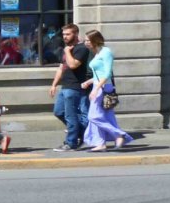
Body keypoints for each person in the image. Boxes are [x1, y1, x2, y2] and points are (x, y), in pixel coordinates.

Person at [80, 30, 132, 152]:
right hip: (98, 86)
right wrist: (89, 82)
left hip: (103, 88)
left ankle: (118, 135)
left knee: (93, 116)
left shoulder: (106, 52)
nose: (85, 42)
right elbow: (99, 74)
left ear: (95, 40)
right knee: (104, 117)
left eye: (87, 40)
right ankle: (101, 143)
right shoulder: (97, 53)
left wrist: (96, 89)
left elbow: (107, 73)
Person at [48, 23, 91, 152]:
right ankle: (82, 131)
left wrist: (67, 52)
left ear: (76, 34)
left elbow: (73, 65)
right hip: (65, 86)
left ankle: (71, 142)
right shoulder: (67, 48)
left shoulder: (81, 48)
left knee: (70, 115)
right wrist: (54, 84)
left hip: (75, 86)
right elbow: (62, 67)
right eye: (63, 34)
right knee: (59, 112)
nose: (65, 37)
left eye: (68, 34)